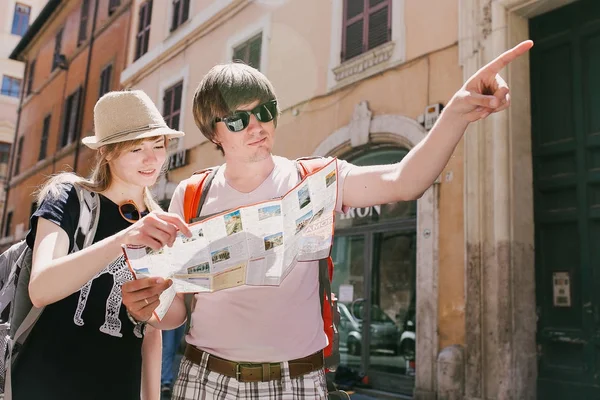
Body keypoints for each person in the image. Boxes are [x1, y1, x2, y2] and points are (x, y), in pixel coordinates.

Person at [122, 40, 534, 399]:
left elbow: (402, 180)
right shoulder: (191, 194)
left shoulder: (315, 178)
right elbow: (176, 308)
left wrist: (458, 111)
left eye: (264, 111)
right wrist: (151, 310)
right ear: (214, 134)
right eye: (237, 119)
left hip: (297, 382)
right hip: (207, 378)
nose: (257, 126)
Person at [11, 90, 192, 400]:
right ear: (107, 152)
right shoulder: (69, 197)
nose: (152, 159)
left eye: (159, 145)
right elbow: (41, 289)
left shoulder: (160, 222)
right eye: (137, 148)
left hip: (119, 384)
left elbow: (158, 327)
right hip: (45, 383)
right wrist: (124, 238)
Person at [160, 324, 186, 396]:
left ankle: (164, 373)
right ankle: (166, 380)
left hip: (183, 317)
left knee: (174, 347)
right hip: (167, 314)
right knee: (168, 347)